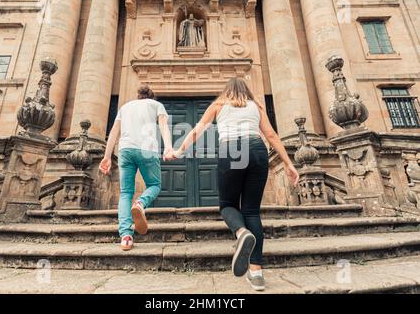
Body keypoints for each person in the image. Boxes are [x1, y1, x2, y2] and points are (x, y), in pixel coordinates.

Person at [166, 78, 299, 291]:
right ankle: (256, 274)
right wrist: (289, 164)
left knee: (227, 205)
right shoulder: (257, 106)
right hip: (257, 149)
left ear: (227, 91)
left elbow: (197, 131)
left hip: (231, 150)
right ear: (247, 91)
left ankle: (240, 233)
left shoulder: (219, 105)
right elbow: (271, 135)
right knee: (252, 212)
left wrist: (179, 151)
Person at [100, 85, 173, 251]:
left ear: (138, 96)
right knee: (154, 185)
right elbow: (163, 126)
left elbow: (113, 132)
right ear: (151, 97)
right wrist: (168, 147)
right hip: (147, 150)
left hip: (125, 150)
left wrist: (107, 156)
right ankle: (140, 203)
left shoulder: (125, 107)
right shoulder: (156, 105)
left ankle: (126, 236)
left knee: (126, 193)